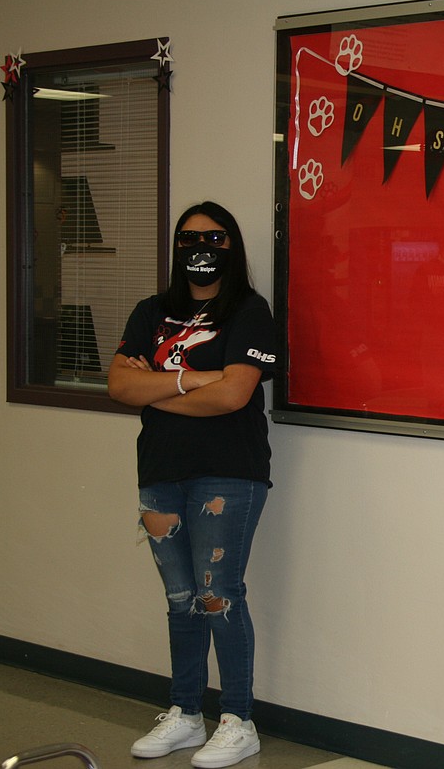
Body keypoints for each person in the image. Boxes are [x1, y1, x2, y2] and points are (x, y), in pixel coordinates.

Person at [108, 201, 277, 768]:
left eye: (214, 236)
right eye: (189, 236)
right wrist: (192, 379)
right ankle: (184, 713)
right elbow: (117, 387)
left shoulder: (250, 311)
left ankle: (237, 720)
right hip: (159, 472)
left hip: (228, 473)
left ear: (232, 245)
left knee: (218, 594)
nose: (200, 245)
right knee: (180, 601)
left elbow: (235, 396)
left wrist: (155, 386)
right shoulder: (151, 311)